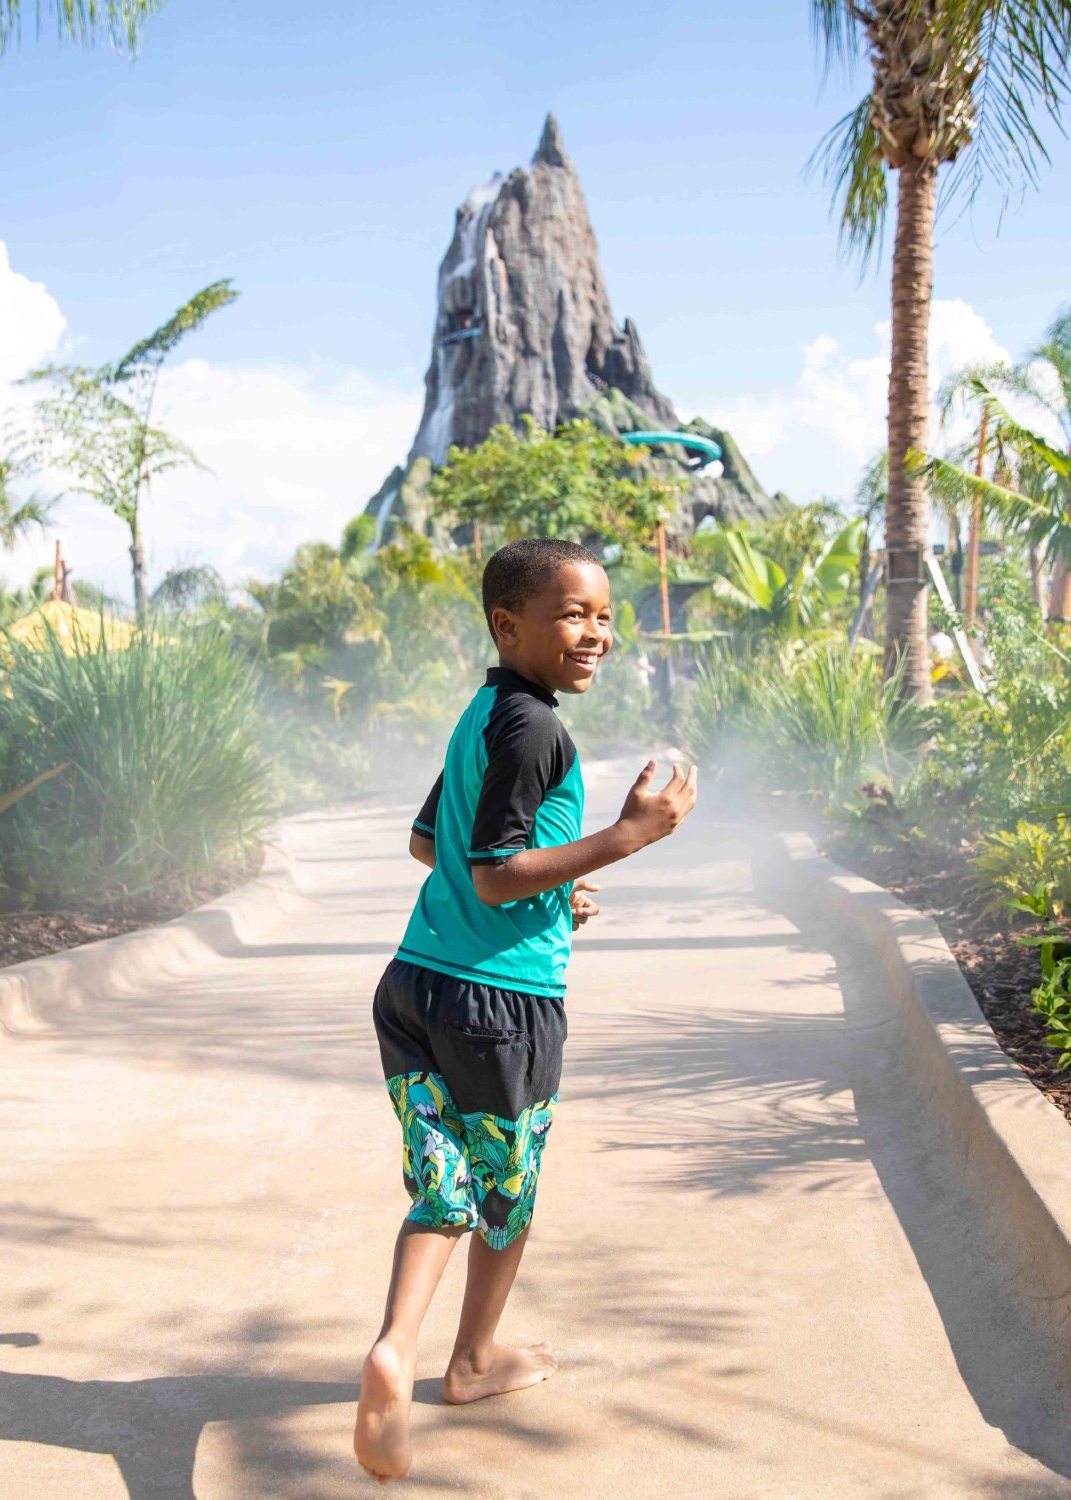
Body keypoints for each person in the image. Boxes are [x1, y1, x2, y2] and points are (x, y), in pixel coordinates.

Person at [352, 536, 698, 1483]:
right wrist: (624, 838)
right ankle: (467, 1363)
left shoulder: (486, 711)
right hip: (498, 1008)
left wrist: (559, 886)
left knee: (442, 1184)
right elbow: (495, 874)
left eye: (605, 615)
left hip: (415, 986)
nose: (598, 633)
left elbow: (433, 846)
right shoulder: (538, 730)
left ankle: (395, 1345)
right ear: (510, 624)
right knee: (505, 1195)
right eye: (574, 614)